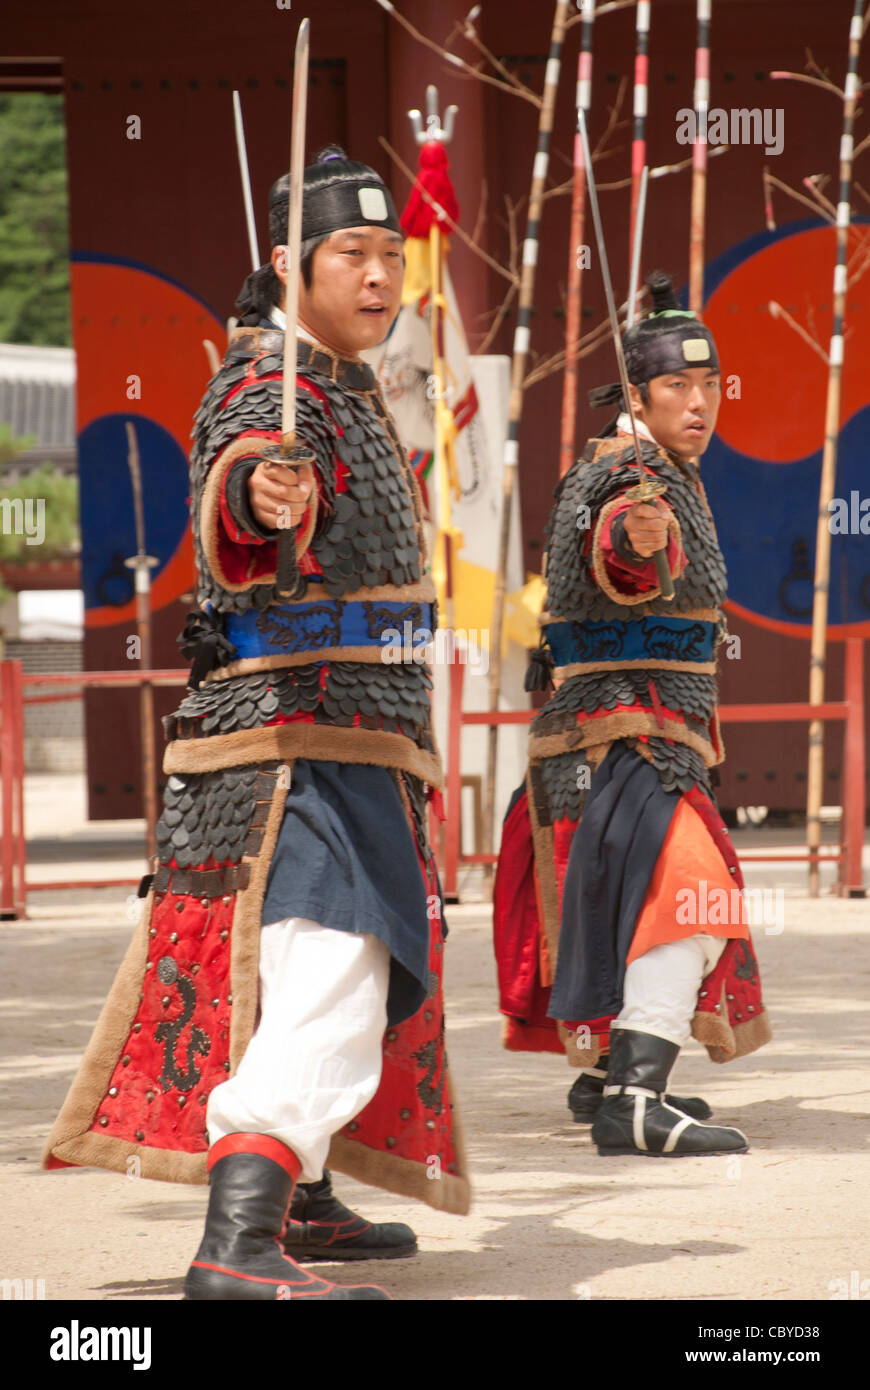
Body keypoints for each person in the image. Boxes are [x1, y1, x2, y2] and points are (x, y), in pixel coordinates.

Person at [44, 147, 470, 1299]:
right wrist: (259, 492)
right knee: (331, 963)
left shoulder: (339, 380)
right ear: (289, 264)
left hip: (354, 738)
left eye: (393, 256)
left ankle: (304, 1196)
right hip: (294, 744)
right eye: (353, 255)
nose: (381, 276)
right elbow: (242, 480)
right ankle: (236, 1248)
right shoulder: (266, 385)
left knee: (319, 974)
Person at [493, 272, 771, 1158]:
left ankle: (607, 1072)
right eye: (677, 388)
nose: (699, 403)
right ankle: (634, 1104)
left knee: (630, 906)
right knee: (693, 900)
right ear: (638, 396)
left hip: (632, 738)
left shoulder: (662, 468)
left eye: (711, 386)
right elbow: (618, 546)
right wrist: (635, 541)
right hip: (623, 737)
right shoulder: (628, 472)